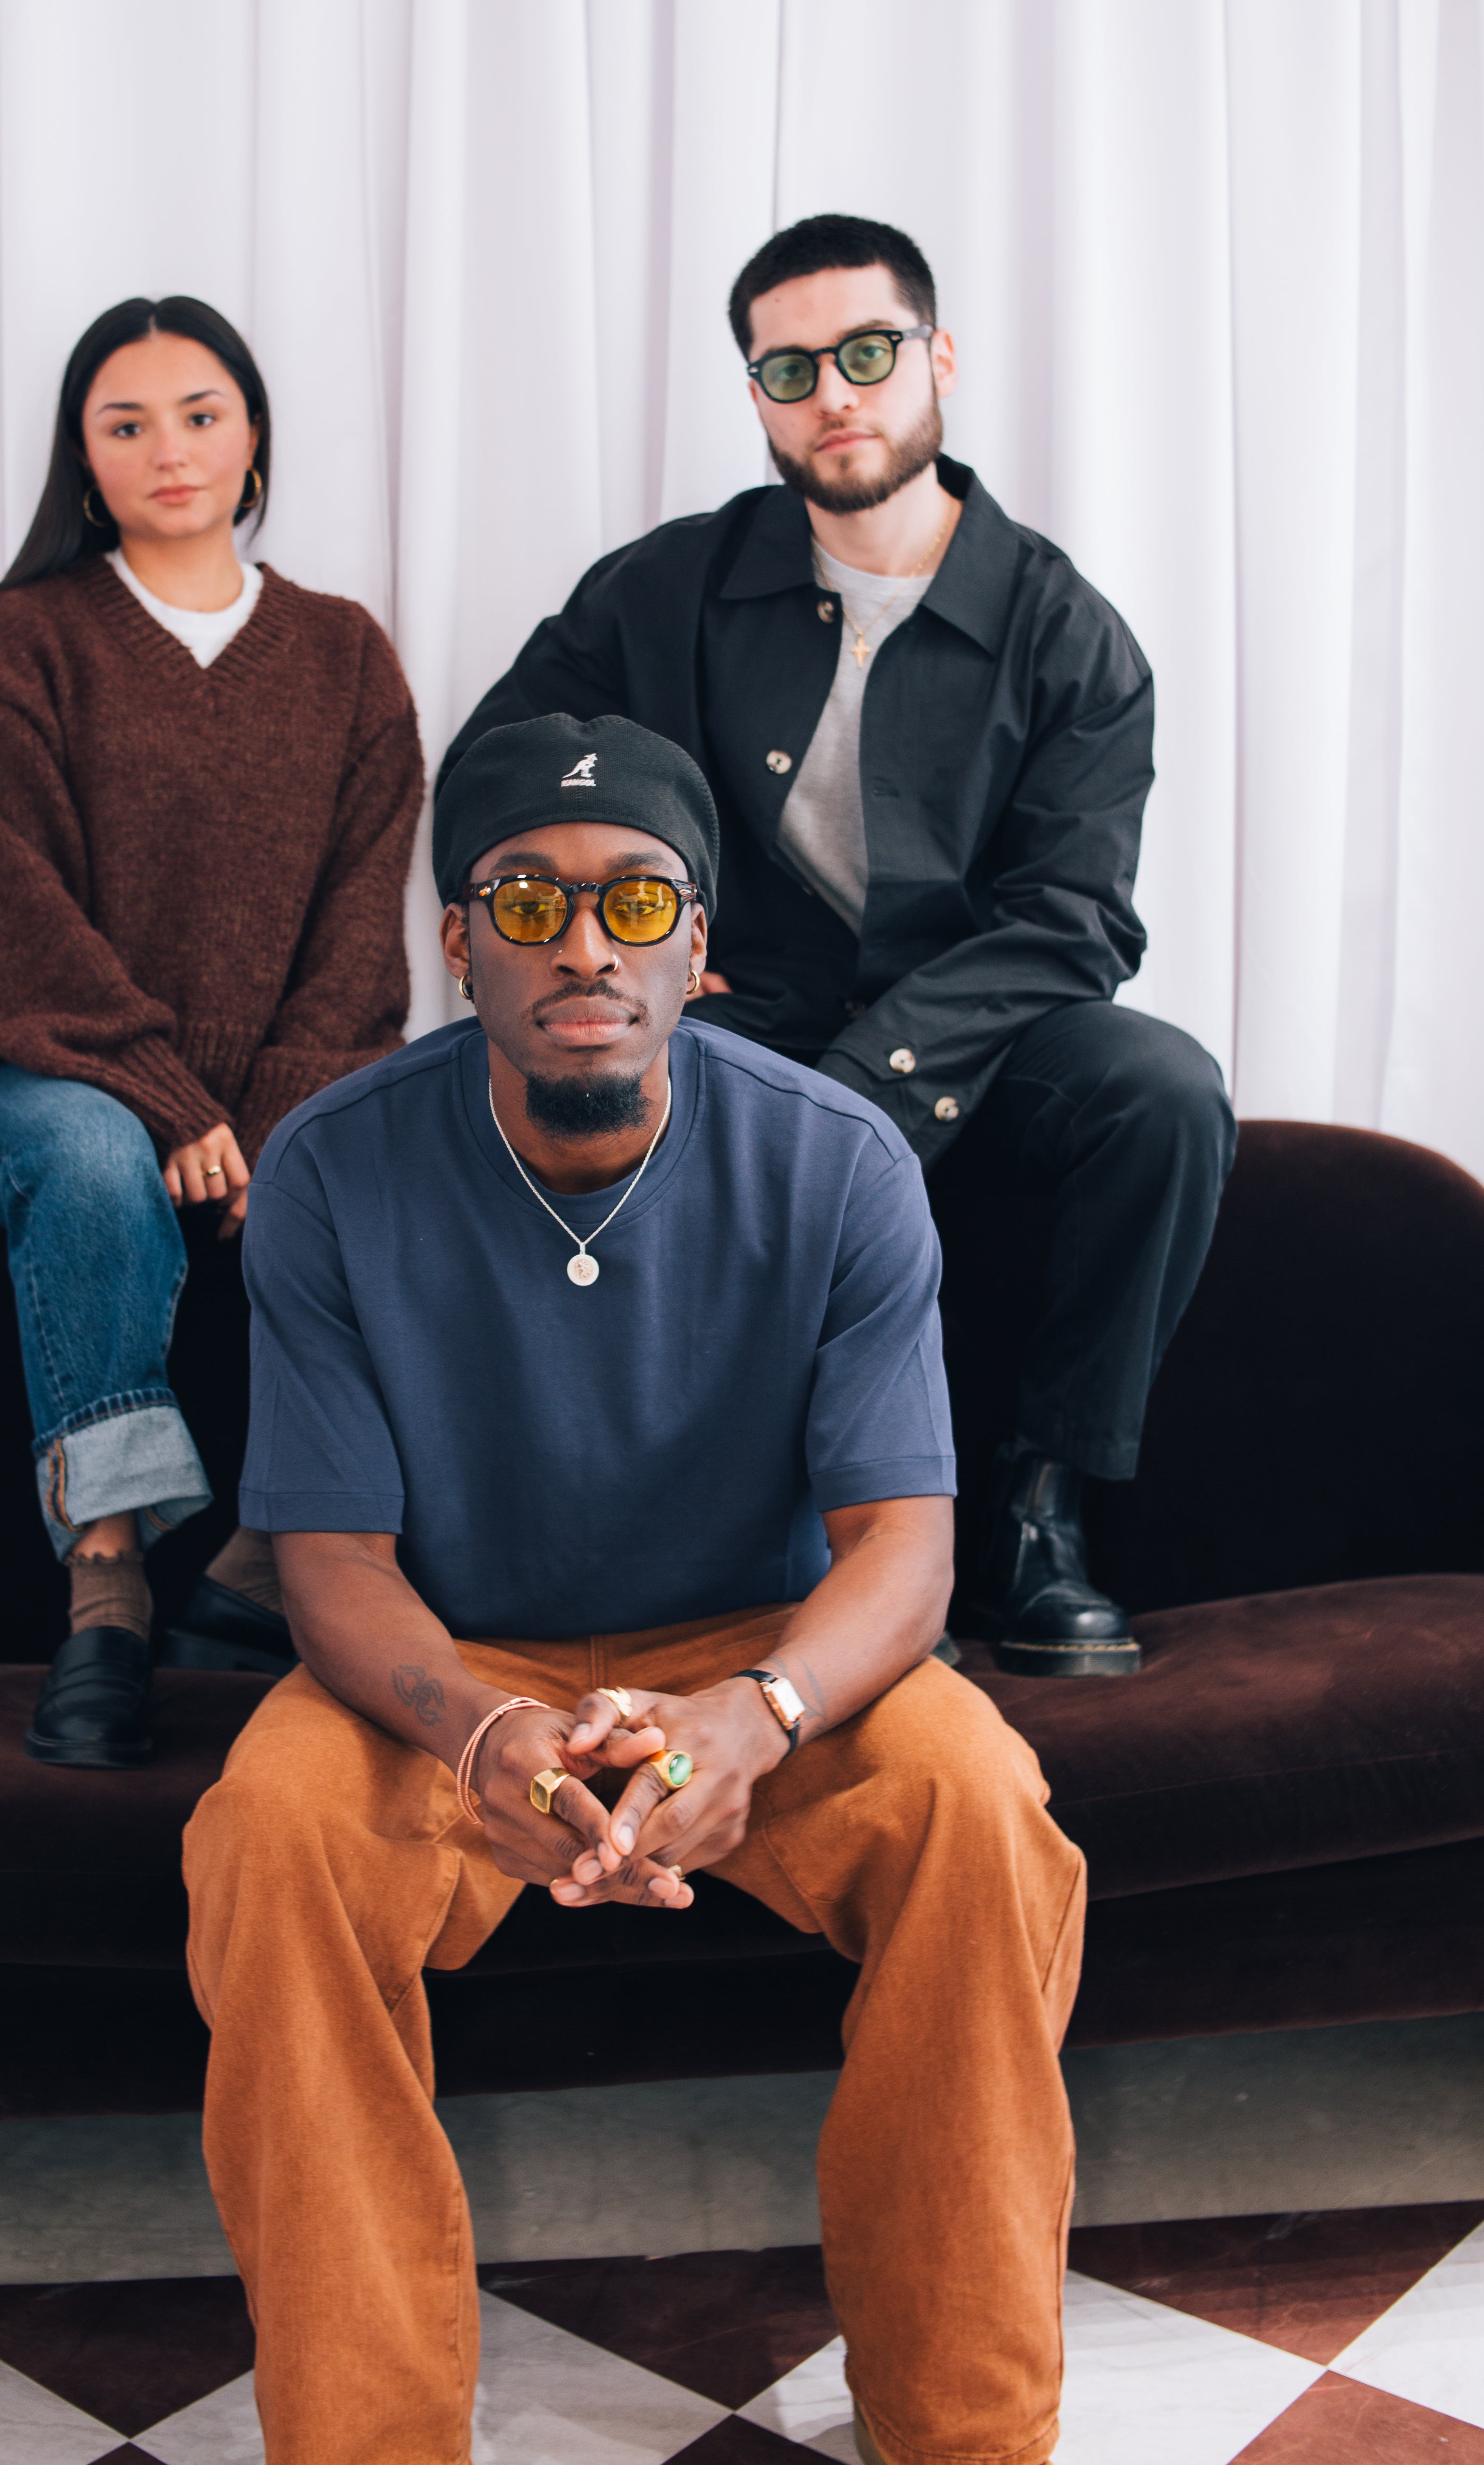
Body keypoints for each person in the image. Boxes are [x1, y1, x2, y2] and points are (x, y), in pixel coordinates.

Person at [183, 711, 1084, 2465]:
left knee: (980, 1805)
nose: (583, 946)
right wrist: (485, 1731)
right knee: (269, 1837)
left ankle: (965, 2438)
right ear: (459, 944)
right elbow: (333, 1566)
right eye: (526, 903)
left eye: (634, 902)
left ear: (699, 945)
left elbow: (906, 1546)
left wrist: (759, 1715)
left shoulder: (839, 1161)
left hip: (766, 1659)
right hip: (453, 1663)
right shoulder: (331, 1168)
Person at [440, 214, 1236, 1677]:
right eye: (791, 368)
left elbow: (1073, 922)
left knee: (1166, 1093)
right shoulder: (667, 588)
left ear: (939, 358)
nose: (835, 394)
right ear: (757, 394)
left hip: (985, 1038)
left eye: (868, 353)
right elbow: (501, 770)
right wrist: (628, 936)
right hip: (746, 1013)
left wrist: (876, 1082)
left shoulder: (1068, 632)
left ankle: (1041, 1517)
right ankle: (670, 1539)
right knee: (581, 1076)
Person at [0, 294, 423, 1767]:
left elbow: (362, 918)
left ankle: (264, 1569)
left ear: (253, 435)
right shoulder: (17, 643)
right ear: (83, 461)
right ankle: (109, 1592)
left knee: (418, 1162)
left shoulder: (344, 653)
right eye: (126, 424)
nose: (170, 449)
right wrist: (163, 1100)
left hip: (279, 1086)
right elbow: (9, 921)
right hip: (51, 1071)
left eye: (201, 415)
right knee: (93, 1162)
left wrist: (273, 1119)